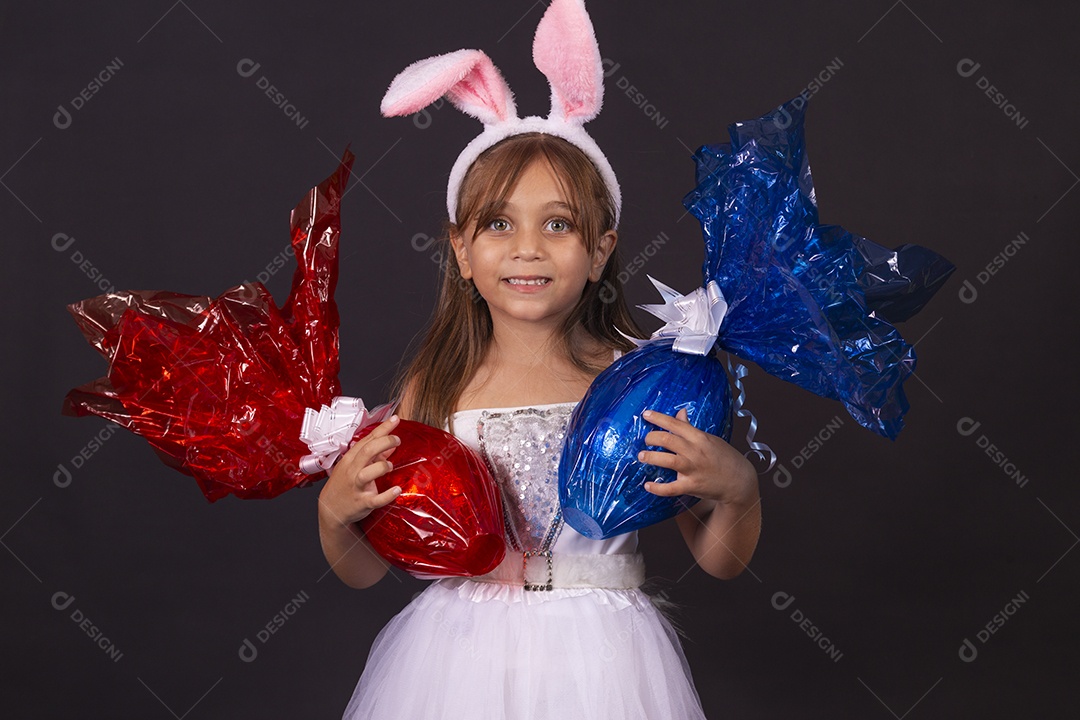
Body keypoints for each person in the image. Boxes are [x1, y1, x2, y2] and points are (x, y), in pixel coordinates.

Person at [317, 129, 762, 718]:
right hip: (459, 665)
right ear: (461, 251)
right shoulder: (434, 388)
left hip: (604, 665)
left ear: (601, 251)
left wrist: (738, 490)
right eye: (499, 224)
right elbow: (370, 569)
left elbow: (718, 559)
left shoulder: (639, 380)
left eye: (558, 224)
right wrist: (334, 514)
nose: (528, 248)